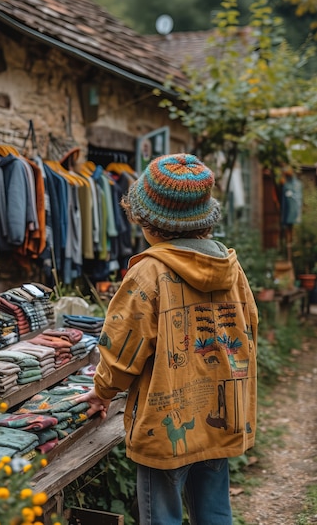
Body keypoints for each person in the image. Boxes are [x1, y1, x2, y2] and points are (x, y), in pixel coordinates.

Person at [76, 153, 258, 525]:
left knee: (162, 516)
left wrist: (102, 391)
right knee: (215, 511)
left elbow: (122, 351)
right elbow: (249, 327)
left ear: (149, 222)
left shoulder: (149, 273)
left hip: (165, 421)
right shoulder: (230, 268)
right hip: (220, 414)